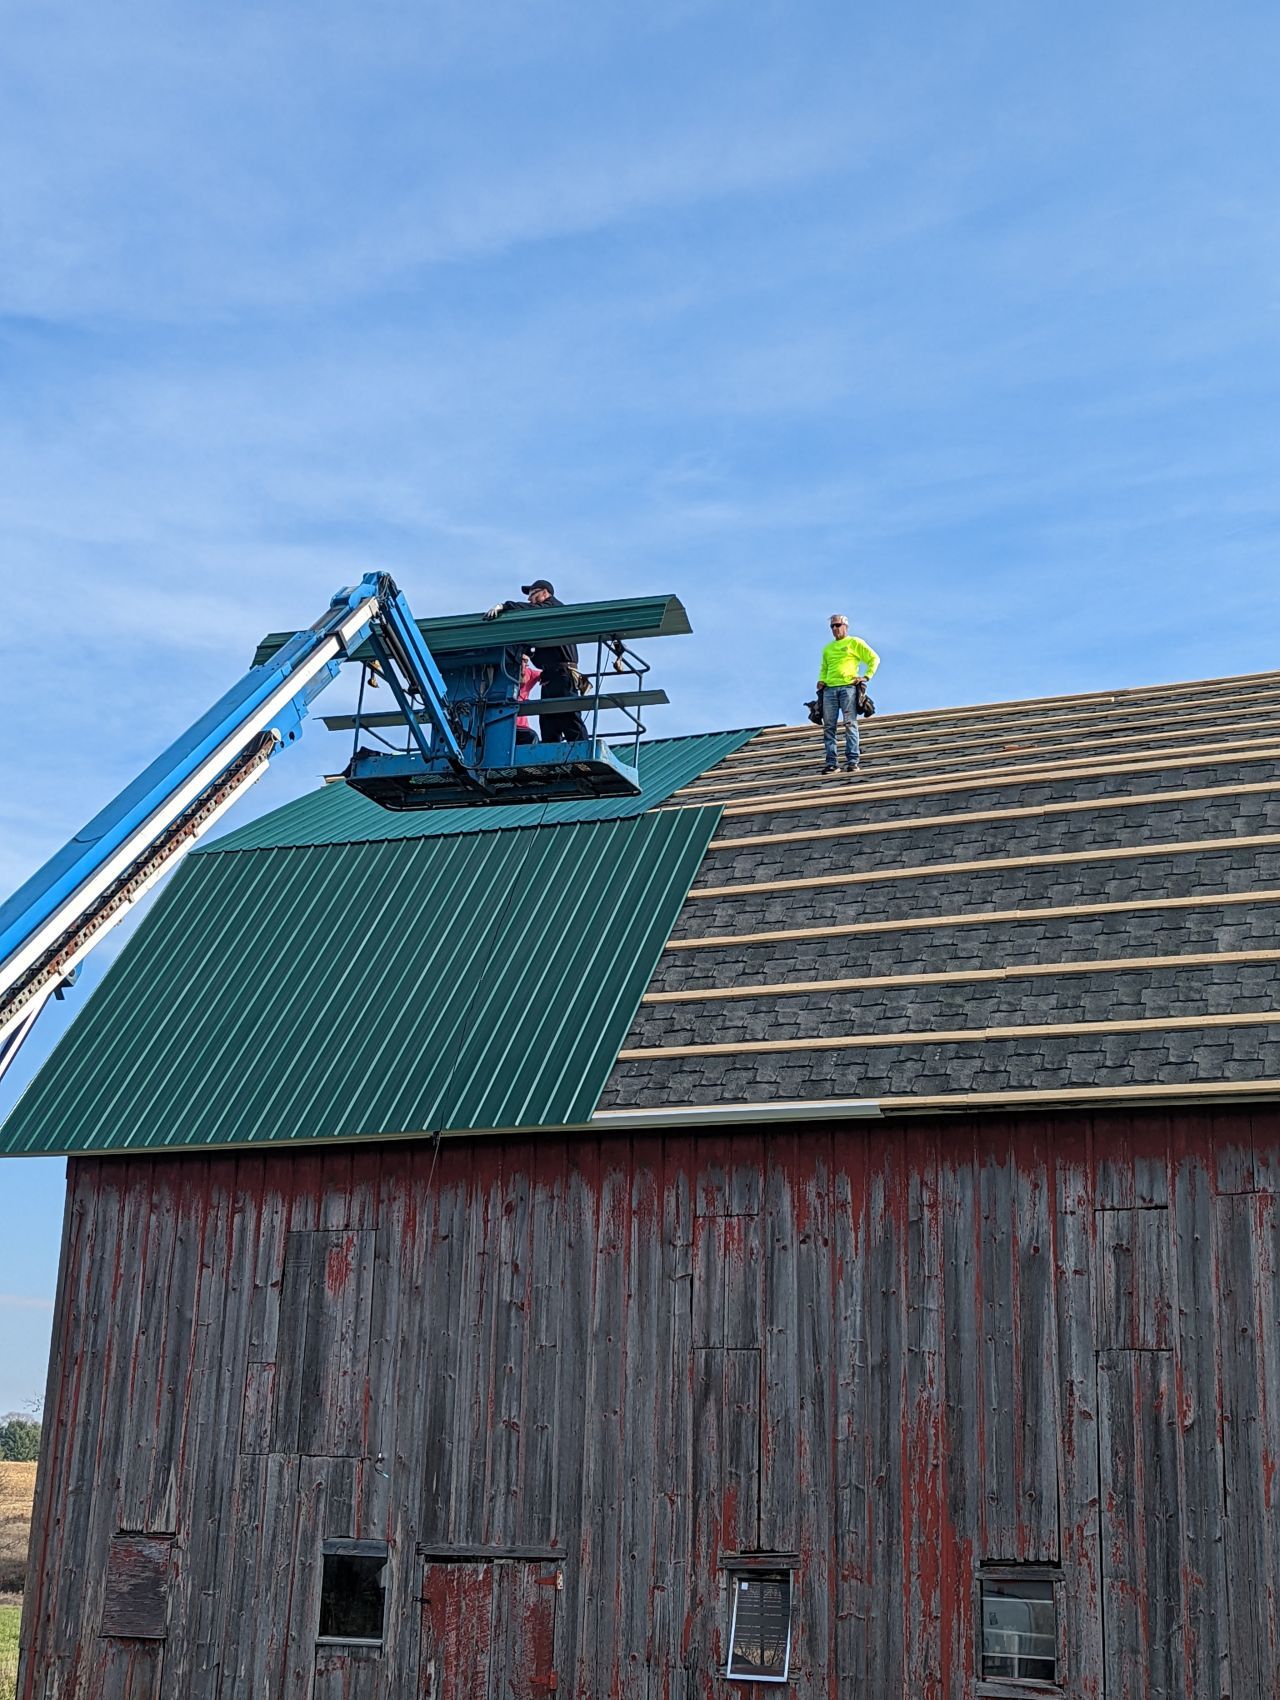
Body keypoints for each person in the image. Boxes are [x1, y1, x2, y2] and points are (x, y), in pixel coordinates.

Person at [484, 580, 587, 743]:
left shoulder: (553, 608)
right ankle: (552, 757)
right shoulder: (545, 626)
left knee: (569, 716)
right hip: (550, 676)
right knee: (548, 721)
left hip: (562, 674)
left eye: (532, 594)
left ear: (545, 593)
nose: (529, 599)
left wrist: (505, 606)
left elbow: (531, 610)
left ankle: (581, 749)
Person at [817, 613, 879, 774]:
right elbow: (824, 667)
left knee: (850, 723)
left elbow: (874, 658)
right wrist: (821, 680)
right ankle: (832, 763)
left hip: (848, 688)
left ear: (845, 626)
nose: (835, 629)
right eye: (832, 626)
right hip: (829, 689)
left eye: (838, 625)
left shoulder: (854, 642)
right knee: (829, 727)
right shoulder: (828, 648)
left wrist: (866, 676)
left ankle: (852, 761)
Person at [515, 655, 541, 746]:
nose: (522, 664)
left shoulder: (529, 673)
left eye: (525, 662)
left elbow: (547, 674)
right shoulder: (500, 673)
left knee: (532, 737)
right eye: (520, 660)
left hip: (521, 727)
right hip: (500, 724)